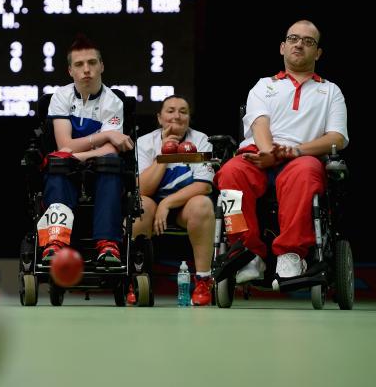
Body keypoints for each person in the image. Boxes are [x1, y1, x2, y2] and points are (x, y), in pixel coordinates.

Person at [214, 20, 348, 288]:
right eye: (294, 39)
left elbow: (337, 138)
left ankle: (290, 255)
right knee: (229, 172)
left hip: (300, 158)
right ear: (282, 47)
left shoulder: (330, 91)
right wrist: (269, 153)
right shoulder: (264, 85)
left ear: (318, 53)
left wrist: (294, 151)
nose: (299, 44)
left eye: (308, 41)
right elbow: (259, 124)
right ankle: (246, 251)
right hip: (258, 155)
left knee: (307, 171)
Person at [39, 36, 134, 266]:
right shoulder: (60, 97)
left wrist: (76, 154)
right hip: (66, 171)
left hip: (99, 170)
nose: (87, 69)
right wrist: (105, 135)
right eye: (79, 65)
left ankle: (108, 244)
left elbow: (110, 148)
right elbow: (64, 143)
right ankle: (55, 242)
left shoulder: (113, 101)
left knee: (111, 161)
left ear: (101, 66)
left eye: (92, 63)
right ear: (70, 70)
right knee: (59, 164)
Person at [133, 95, 215, 306]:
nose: (176, 116)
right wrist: (164, 151)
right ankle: (137, 279)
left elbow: (204, 185)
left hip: (183, 207)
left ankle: (204, 280)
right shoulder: (144, 142)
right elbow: (143, 188)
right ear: (159, 118)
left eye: (183, 111)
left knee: (203, 204)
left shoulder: (200, 140)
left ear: (189, 118)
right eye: (170, 111)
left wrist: (167, 203)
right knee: (140, 204)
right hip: (151, 203)